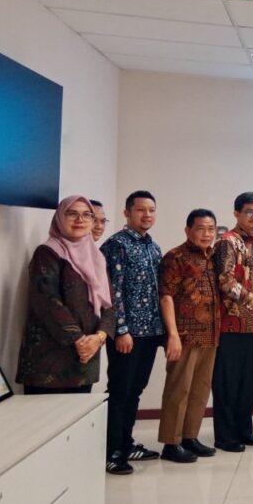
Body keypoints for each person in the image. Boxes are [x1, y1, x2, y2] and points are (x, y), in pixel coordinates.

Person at [16, 196, 114, 395]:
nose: (80, 220)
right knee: (45, 415)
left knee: (80, 414)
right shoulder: (47, 253)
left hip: (86, 360)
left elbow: (111, 302)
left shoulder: (96, 257)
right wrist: (79, 341)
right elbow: (48, 302)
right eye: (72, 213)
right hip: (49, 361)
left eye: (87, 215)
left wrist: (99, 337)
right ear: (60, 217)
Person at [101, 190, 165, 475]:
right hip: (127, 334)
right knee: (120, 390)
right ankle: (112, 451)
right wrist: (121, 329)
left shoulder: (153, 247)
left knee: (135, 390)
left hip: (150, 333)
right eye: (141, 210)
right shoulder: (117, 245)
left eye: (151, 210)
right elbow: (112, 291)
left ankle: (126, 444)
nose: (147, 215)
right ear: (127, 213)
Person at [157, 209, 221, 464]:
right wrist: (172, 334)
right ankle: (171, 443)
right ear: (188, 230)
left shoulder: (213, 257)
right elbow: (166, 296)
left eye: (211, 229)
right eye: (200, 228)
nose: (206, 234)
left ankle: (189, 436)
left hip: (210, 335)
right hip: (184, 335)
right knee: (178, 389)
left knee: (200, 389)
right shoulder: (175, 257)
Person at [212, 192, 253, 452]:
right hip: (230, 323)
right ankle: (225, 436)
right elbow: (224, 280)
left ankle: (244, 430)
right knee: (227, 382)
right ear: (236, 213)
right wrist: (252, 300)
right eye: (249, 212)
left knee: (249, 382)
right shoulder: (227, 242)